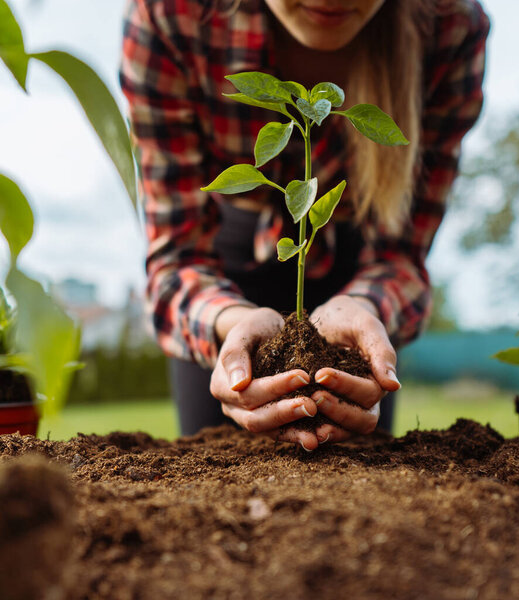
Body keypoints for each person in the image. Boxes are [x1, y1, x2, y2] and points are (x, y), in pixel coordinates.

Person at [120, 0, 490, 450]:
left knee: (365, 472)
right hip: (224, 266)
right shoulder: (173, 14)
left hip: (358, 283)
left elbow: (401, 255)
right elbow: (176, 261)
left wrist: (365, 311)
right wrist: (230, 322)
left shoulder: (448, 23)